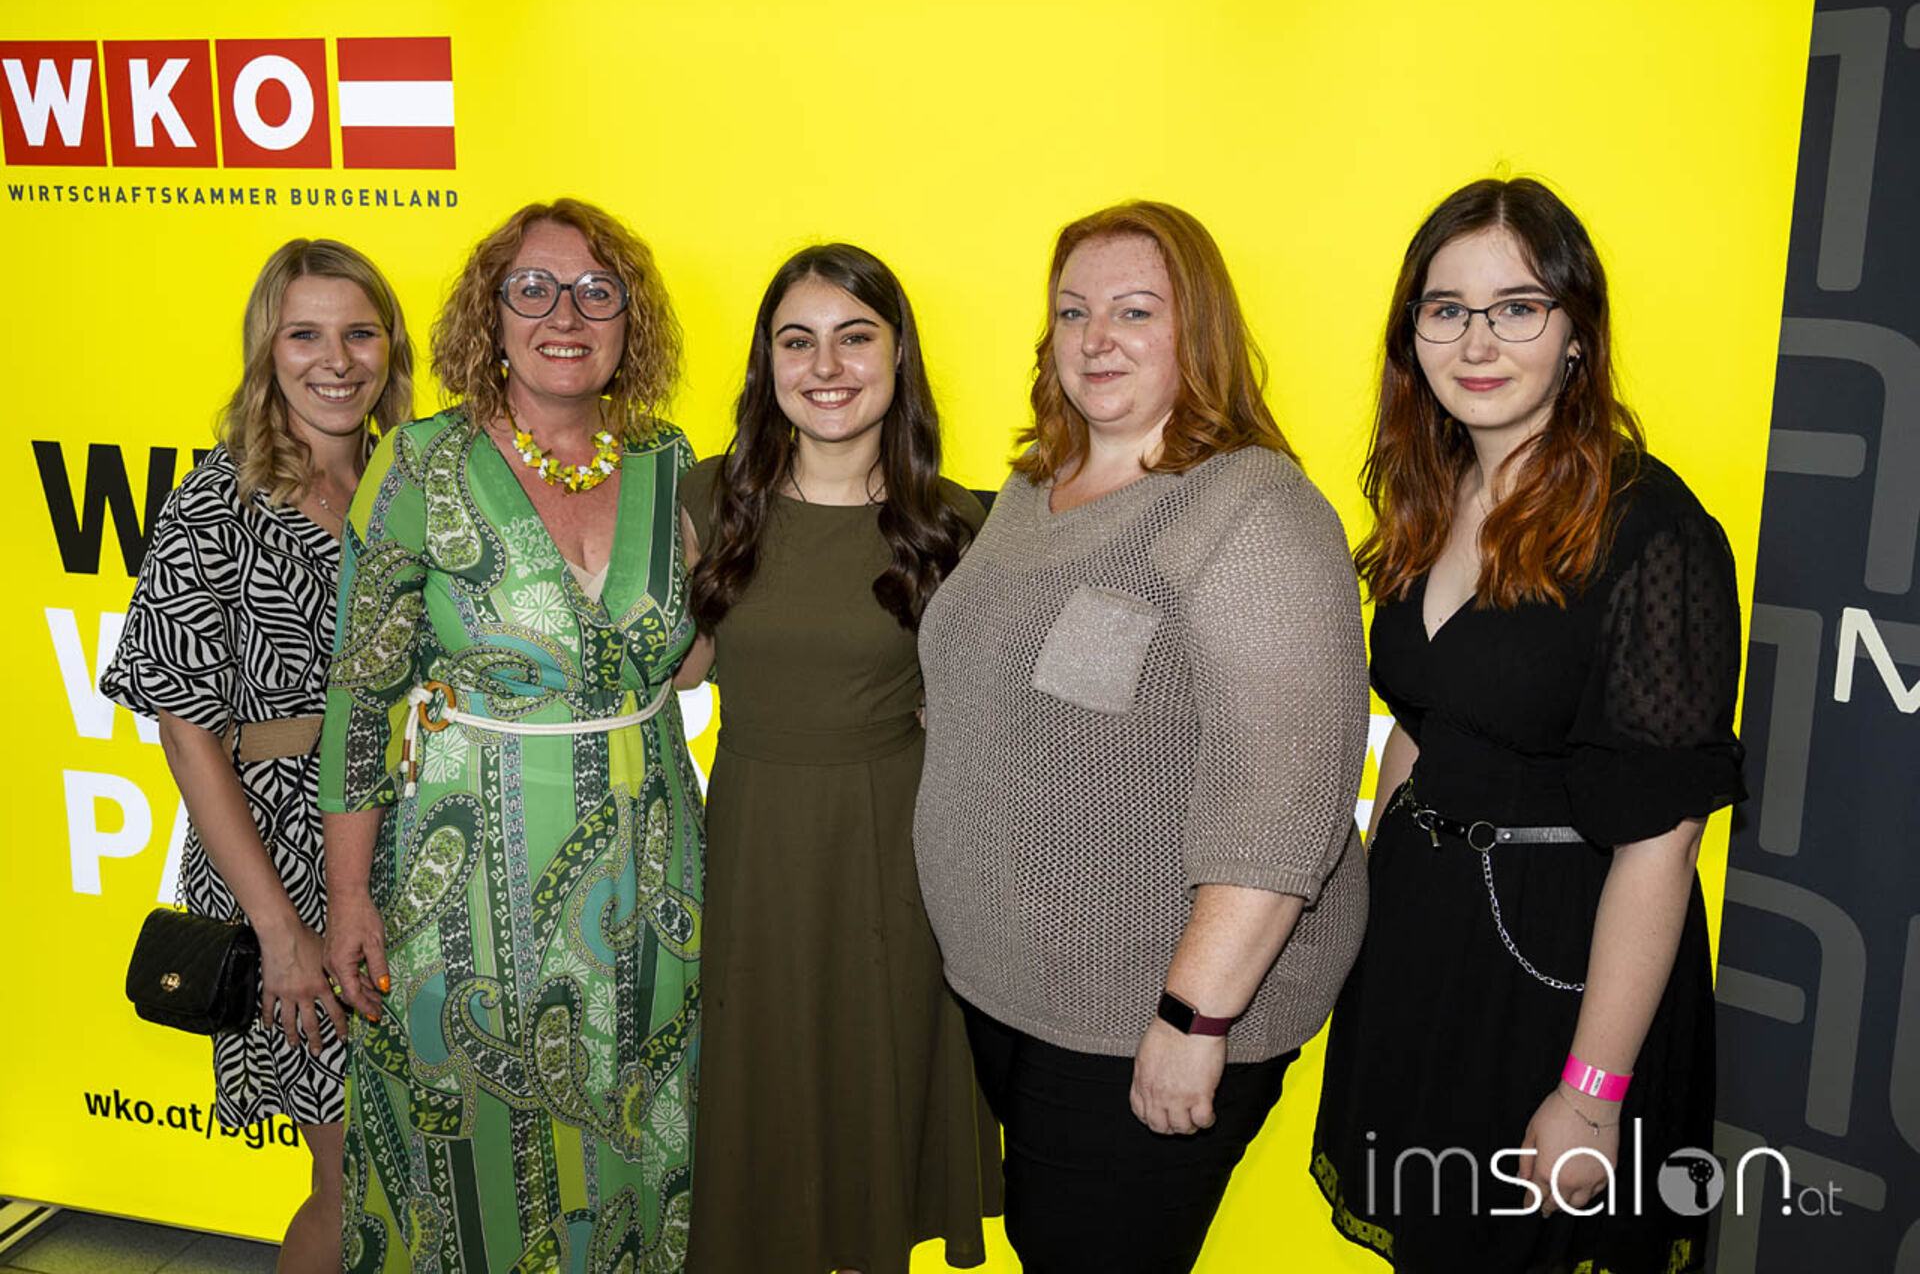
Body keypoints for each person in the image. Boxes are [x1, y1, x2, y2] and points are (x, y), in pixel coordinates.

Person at [913, 201, 1370, 1274]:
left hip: (1146, 1010)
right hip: (1012, 990)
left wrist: (1194, 1018)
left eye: (1133, 311)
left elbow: (1285, 798)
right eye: (1073, 311)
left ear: (1197, 329)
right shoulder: (1034, 488)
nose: (1095, 339)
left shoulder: (1251, 510)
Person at [1309, 178, 1747, 1274]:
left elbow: (1664, 839)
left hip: (1561, 967)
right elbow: (1423, 724)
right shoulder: (1430, 490)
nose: (1477, 341)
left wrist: (1591, 1094)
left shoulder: (1651, 530)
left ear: (1576, 332)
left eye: (1516, 307)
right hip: (1424, 936)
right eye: (1445, 309)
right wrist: (1365, 915)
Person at [317, 199, 704, 1272]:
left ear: (632, 320)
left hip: (654, 870)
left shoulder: (671, 459)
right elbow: (361, 695)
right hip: (467, 882)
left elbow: (693, 653)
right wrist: (348, 896)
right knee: (474, 1157)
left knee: (643, 1130)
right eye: (531, 289)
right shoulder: (420, 463)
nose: (563, 315)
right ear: (489, 316)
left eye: (595, 291)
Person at [675, 242, 1000, 1274]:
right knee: (758, 1110)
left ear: (899, 355)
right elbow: (672, 672)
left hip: (895, 854)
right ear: (766, 362)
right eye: (797, 340)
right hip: (751, 847)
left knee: (871, 1111)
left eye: (855, 337)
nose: (826, 365)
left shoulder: (957, 522)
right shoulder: (703, 499)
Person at [102, 238, 412, 1273]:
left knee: (417, 1172)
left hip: (414, 844)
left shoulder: (409, 485)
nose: (337, 360)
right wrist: (279, 931)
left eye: (359, 333)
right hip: (283, 857)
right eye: (305, 335)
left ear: (391, 347)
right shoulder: (217, 500)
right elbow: (185, 732)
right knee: (351, 1181)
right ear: (266, 351)